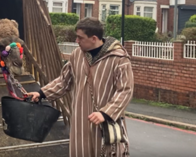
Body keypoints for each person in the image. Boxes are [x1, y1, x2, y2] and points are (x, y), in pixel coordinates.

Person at [27, 17, 134, 157]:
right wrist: (41, 93)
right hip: (80, 123)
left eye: (80, 38)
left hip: (106, 125)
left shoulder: (119, 59)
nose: (76, 41)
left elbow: (125, 90)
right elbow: (64, 81)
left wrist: (105, 113)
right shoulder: (76, 55)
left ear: (94, 38)